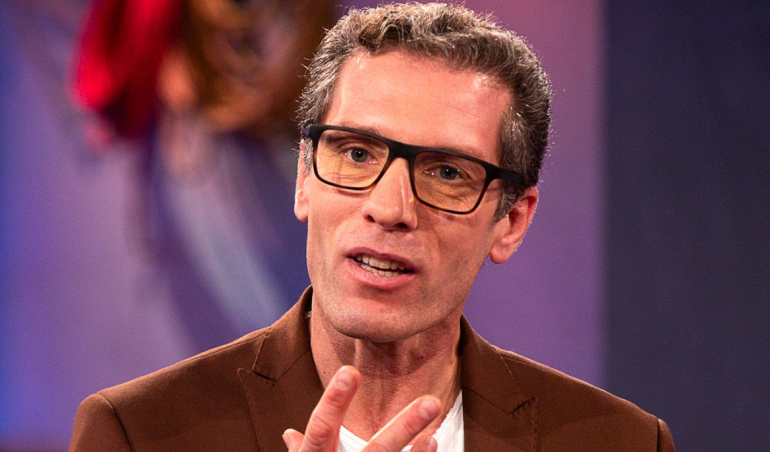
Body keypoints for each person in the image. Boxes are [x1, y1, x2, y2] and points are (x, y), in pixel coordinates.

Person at [69, 3, 675, 451]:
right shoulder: (139, 434)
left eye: (446, 172)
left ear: (511, 221)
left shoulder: (619, 442)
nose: (390, 208)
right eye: (357, 154)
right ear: (304, 178)